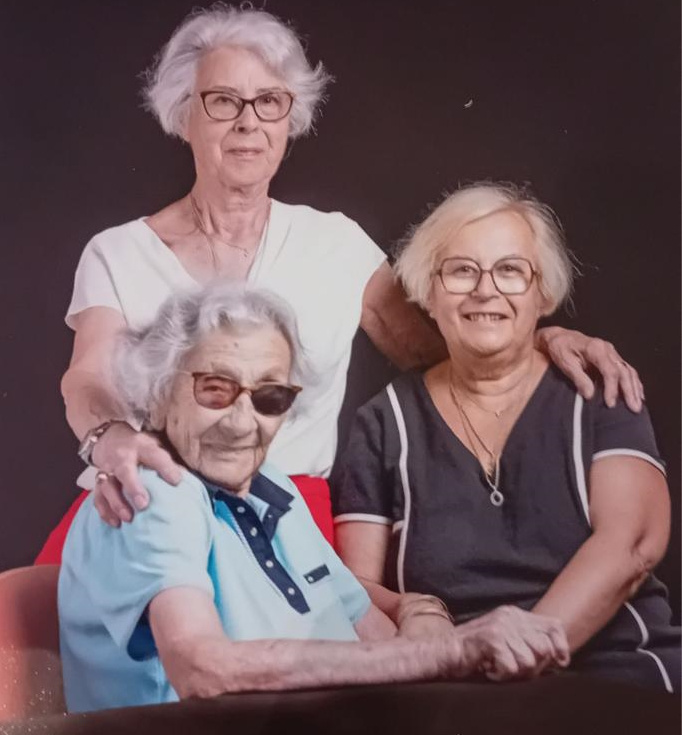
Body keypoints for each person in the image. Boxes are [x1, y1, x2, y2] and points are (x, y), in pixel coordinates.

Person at [41, 6, 642, 559]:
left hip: (290, 521)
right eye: (223, 101)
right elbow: (86, 377)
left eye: (269, 102)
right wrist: (108, 435)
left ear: (289, 120)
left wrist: (541, 340)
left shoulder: (335, 243)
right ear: (185, 115)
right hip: (147, 504)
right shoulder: (118, 251)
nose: (248, 123)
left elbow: (440, 346)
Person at [58, 283, 571, 712]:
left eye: (269, 396)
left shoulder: (271, 485)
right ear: (161, 390)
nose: (242, 423)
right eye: (215, 388)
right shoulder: (151, 491)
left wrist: (424, 617)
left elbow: (374, 633)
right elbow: (202, 669)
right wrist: (454, 651)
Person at [332, 182, 680, 692]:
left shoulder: (597, 390)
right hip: (452, 687)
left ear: (544, 293)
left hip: (616, 670)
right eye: (461, 270)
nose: (485, 290)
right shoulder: (384, 421)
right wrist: (435, 631)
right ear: (428, 291)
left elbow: (632, 546)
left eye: (511, 271)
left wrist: (519, 652)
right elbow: (355, 590)